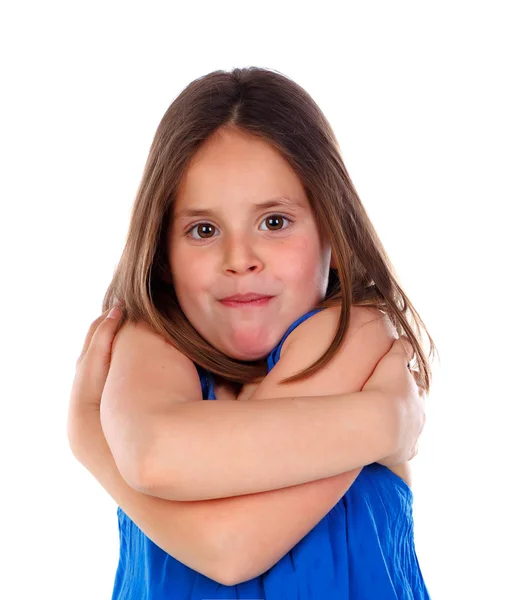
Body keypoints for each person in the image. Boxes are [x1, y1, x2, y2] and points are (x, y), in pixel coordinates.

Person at [68, 67, 436, 598]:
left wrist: (98, 445)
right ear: (163, 254)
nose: (239, 259)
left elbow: (229, 545)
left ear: (331, 227)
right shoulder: (148, 346)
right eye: (203, 230)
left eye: (275, 222)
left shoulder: (354, 335)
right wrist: (387, 419)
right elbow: (154, 456)